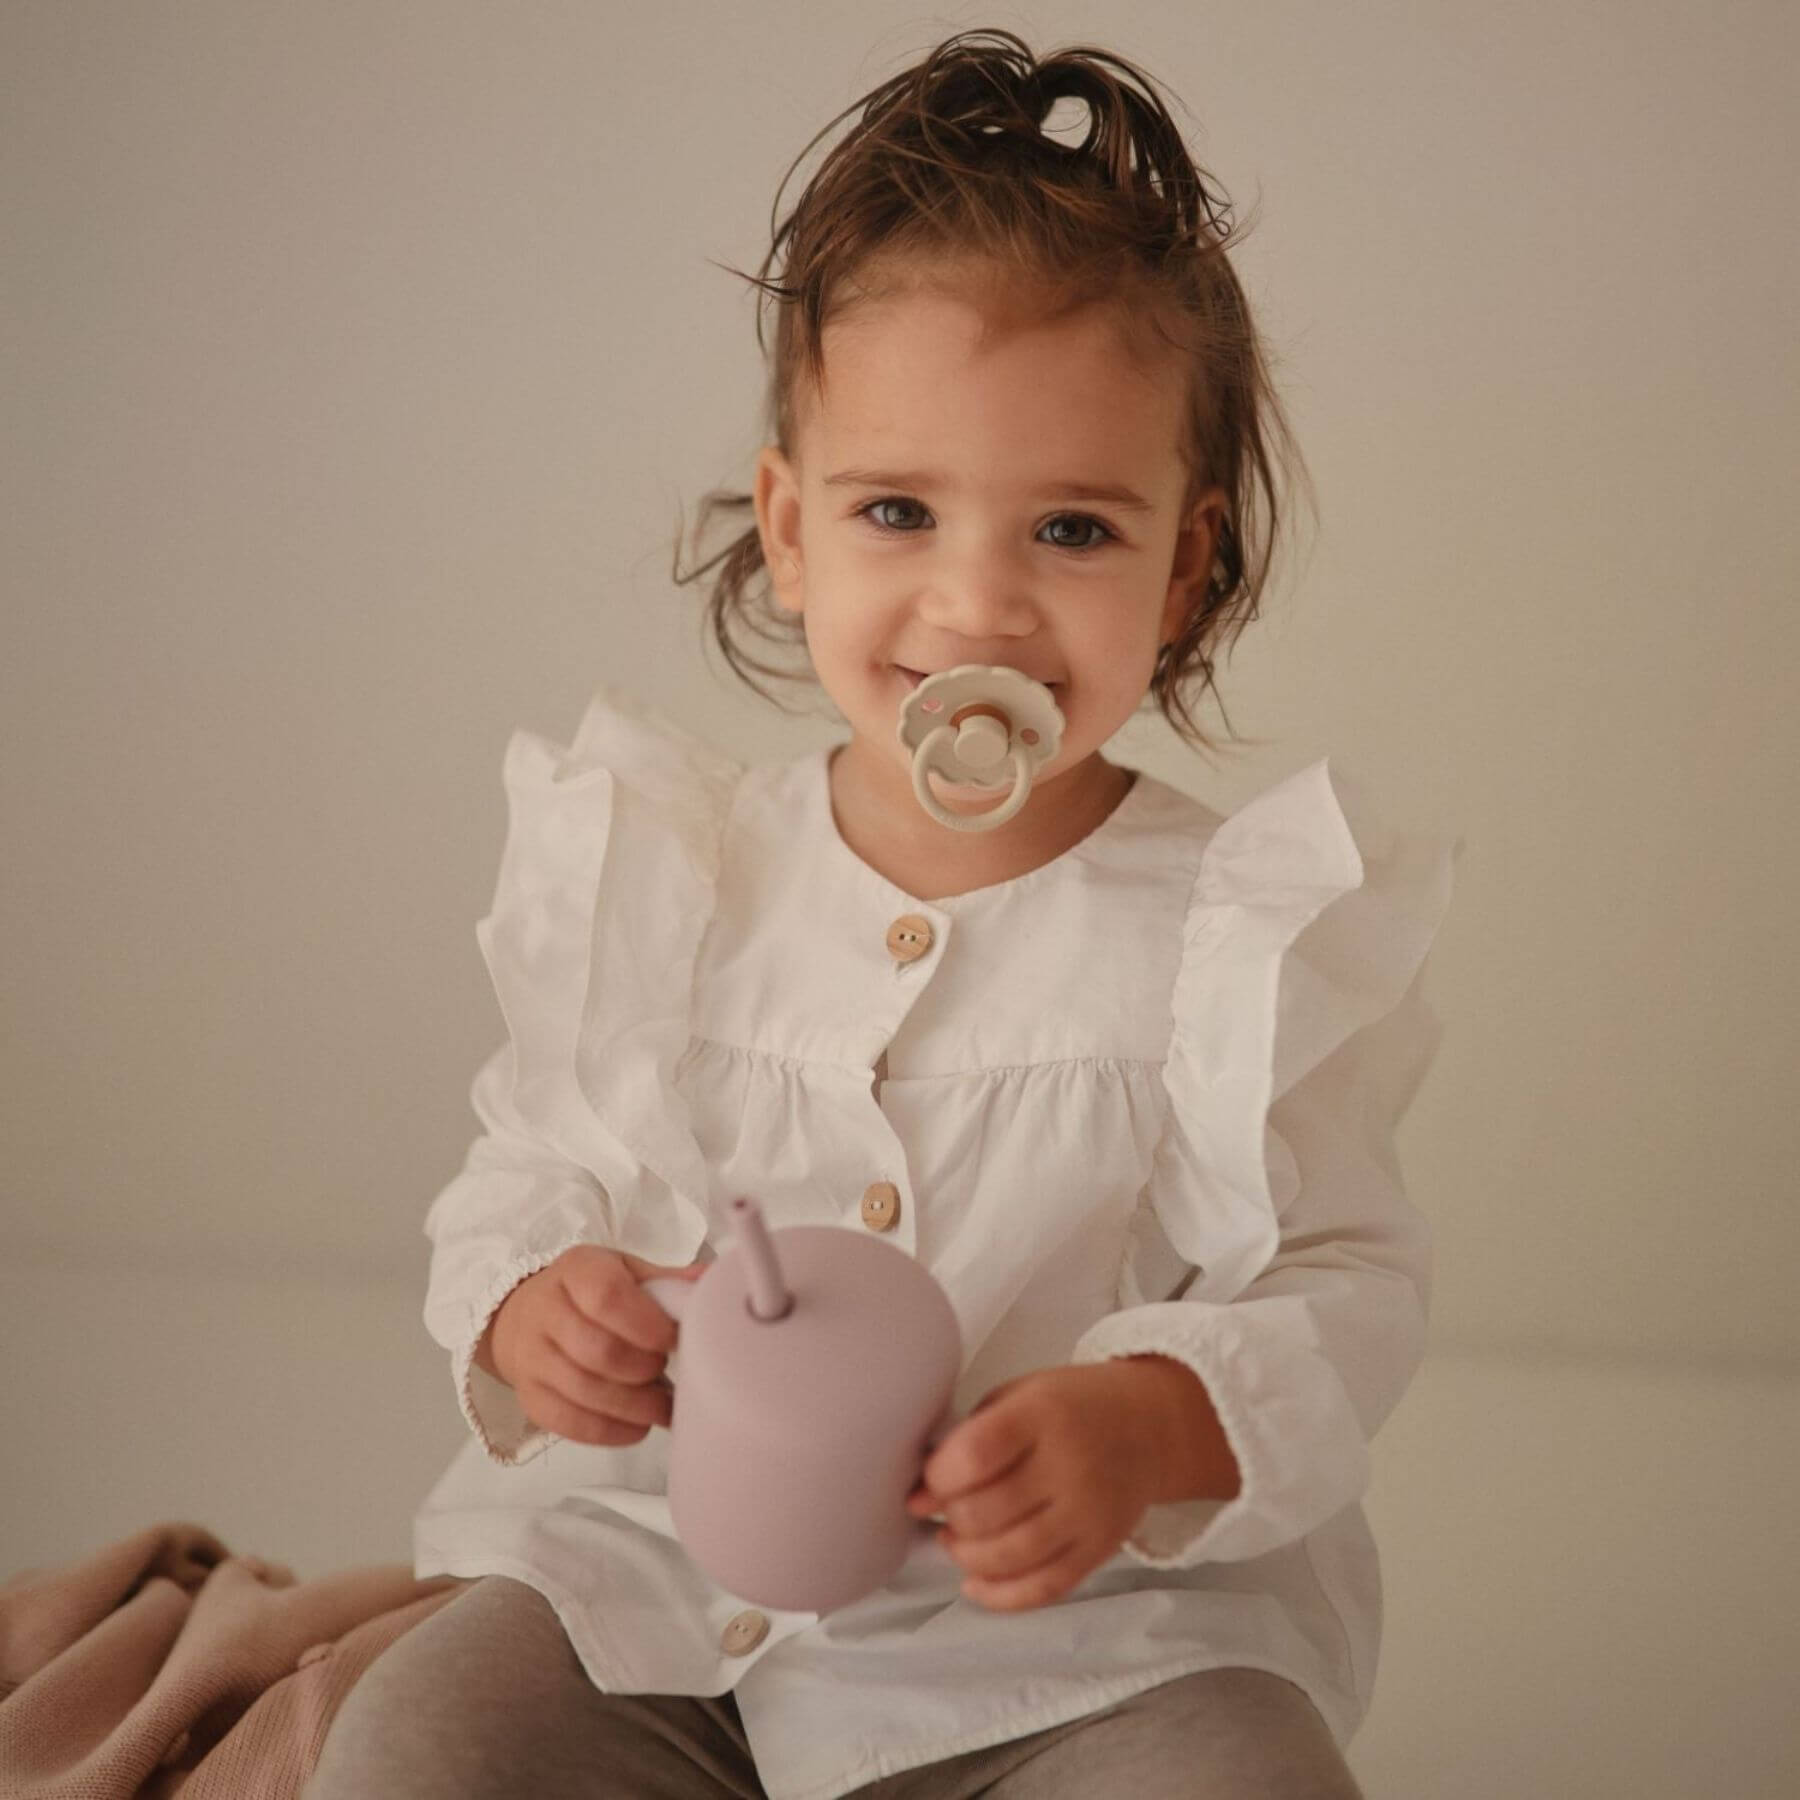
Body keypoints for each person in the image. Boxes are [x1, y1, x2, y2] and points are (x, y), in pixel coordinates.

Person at [307, 26, 1460, 1800]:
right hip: (667, 1590)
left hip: (1061, 1642)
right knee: (417, 1737)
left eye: (1073, 529)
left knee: (1238, 1774)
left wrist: (1152, 1419)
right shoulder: (680, 883)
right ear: (790, 530)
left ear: (1187, 565)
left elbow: (1345, 1282)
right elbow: (529, 1161)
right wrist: (541, 1304)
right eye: (899, 511)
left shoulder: (1229, 938)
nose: (976, 603)